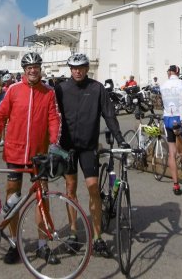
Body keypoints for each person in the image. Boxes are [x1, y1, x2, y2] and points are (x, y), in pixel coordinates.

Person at [0, 52, 61, 265]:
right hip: (15, 152)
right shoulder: (14, 90)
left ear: (40, 68)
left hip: (40, 154)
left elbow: (54, 118)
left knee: (42, 198)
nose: (33, 70)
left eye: (36, 66)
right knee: (12, 200)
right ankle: (14, 244)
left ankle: (42, 245)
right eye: (29, 67)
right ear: (24, 70)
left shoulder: (49, 92)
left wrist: (54, 142)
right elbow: (0, 115)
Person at [55, 53, 128, 258]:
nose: (77, 71)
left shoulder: (97, 89)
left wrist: (120, 138)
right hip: (67, 147)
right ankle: (72, 233)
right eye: (74, 68)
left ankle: (97, 238)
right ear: (70, 69)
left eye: (81, 68)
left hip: (88, 147)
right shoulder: (61, 89)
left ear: (87, 69)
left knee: (93, 188)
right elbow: (51, 116)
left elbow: (109, 115)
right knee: (70, 190)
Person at [160, 64, 182, 196]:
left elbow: (164, 103)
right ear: (178, 72)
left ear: (169, 73)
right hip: (179, 117)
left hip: (167, 118)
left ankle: (176, 184)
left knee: (172, 152)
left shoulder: (163, 85)